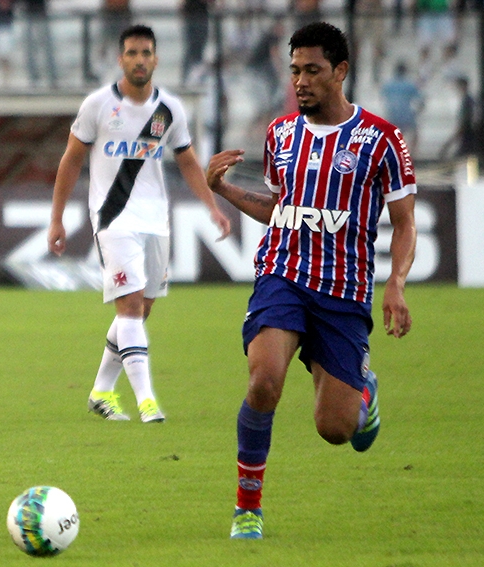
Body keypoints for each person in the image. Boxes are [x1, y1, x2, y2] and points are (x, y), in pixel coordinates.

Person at [205, 22, 417, 539]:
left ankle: (361, 392)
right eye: (295, 70)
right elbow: (280, 209)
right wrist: (225, 190)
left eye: (313, 70)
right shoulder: (281, 133)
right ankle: (247, 509)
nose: (300, 80)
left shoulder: (381, 139)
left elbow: (406, 222)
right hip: (284, 273)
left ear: (341, 71)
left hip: (344, 291)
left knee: (335, 430)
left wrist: (395, 284)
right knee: (263, 380)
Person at [48, 24, 231, 423]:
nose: (139, 60)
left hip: (155, 220)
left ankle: (100, 392)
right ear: (121, 59)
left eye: (146, 52)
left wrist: (212, 207)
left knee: (139, 311)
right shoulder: (98, 105)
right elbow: (71, 160)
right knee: (129, 309)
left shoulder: (169, 110)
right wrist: (57, 218)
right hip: (113, 219)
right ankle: (148, 402)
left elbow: (186, 160)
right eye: (131, 53)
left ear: (156, 59)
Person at [381, 62, 423, 157]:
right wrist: (417, 113)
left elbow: (385, 99)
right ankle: (411, 154)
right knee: (415, 133)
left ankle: (392, 153)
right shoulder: (410, 84)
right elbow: (420, 101)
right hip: (406, 114)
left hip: (392, 114)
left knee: (392, 135)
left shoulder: (388, 85)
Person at [439, 75, 478, 160]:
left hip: (468, 136)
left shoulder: (467, 101)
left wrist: (448, 143)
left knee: (459, 159)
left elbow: (465, 122)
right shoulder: (468, 100)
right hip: (468, 136)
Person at [22, 0, 57, 88]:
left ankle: (51, 78)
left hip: (41, 13)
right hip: (28, 13)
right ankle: (33, 79)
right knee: (30, 49)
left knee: (46, 48)